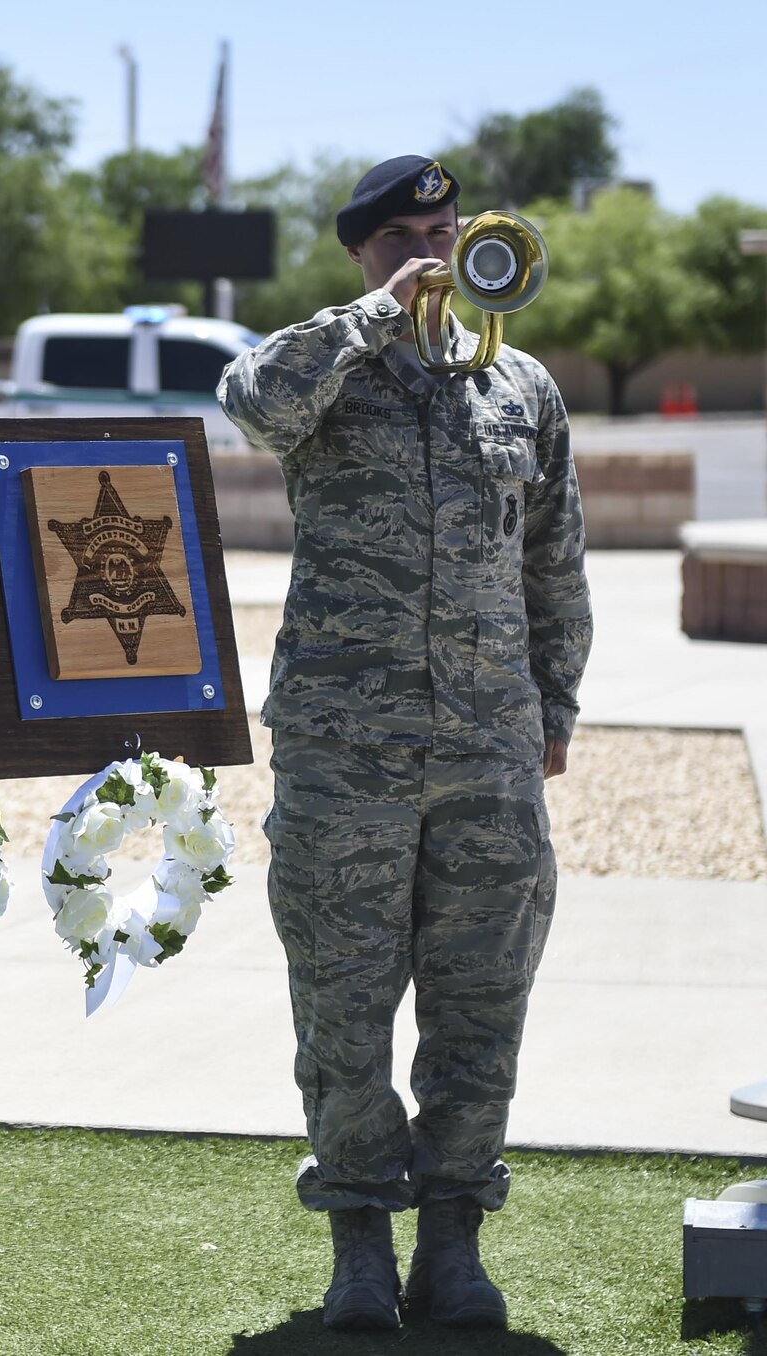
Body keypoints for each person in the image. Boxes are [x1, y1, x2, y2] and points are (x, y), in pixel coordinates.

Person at [216, 155, 591, 1332]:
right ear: (360, 251)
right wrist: (382, 312)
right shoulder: (326, 370)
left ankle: (453, 1246)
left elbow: (552, 565)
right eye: (404, 237)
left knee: (480, 1007)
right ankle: (358, 1253)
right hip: (343, 757)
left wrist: (555, 708)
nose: (431, 253)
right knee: (342, 1006)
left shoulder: (519, 387)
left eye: (445, 230)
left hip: (485, 756)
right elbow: (250, 401)